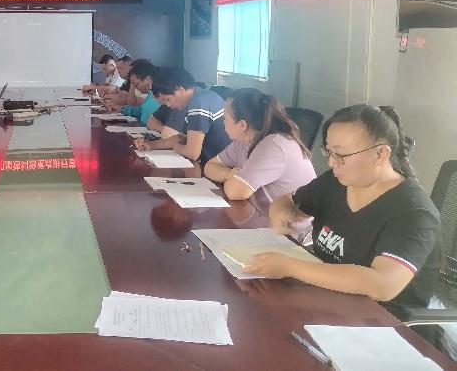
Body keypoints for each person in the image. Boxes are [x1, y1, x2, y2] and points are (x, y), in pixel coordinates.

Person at [245, 105, 439, 319]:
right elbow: (286, 200)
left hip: (379, 321)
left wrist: (290, 267)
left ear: (380, 154)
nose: (331, 162)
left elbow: (382, 285)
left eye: (341, 154)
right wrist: (281, 213)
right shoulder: (337, 181)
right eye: (329, 151)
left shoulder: (414, 212)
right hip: (325, 298)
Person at [204, 88, 316, 206]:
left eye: (225, 118)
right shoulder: (242, 141)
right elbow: (210, 167)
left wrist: (232, 178)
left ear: (242, 125)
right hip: (259, 211)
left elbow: (235, 192)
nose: (223, 122)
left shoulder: (274, 146)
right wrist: (229, 174)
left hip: (288, 217)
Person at [134, 67, 230, 162]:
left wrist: (175, 147)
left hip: (220, 166)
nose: (168, 105)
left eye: (168, 99)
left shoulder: (199, 103)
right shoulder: (200, 95)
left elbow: (192, 154)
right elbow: (181, 139)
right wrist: (151, 145)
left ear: (179, 89)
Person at [119, 60, 160, 126]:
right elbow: (142, 110)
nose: (136, 88)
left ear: (147, 79)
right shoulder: (150, 93)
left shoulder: (160, 95)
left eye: (136, 84)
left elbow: (148, 115)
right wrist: (122, 109)